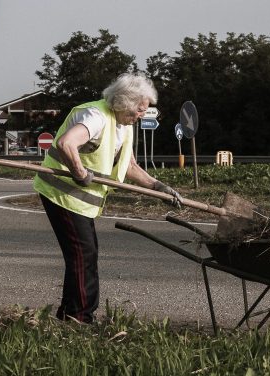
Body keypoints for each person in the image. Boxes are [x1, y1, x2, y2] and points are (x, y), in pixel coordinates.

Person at [33, 73, 182, 324]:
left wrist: (159, 186)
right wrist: (80, 173)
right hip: (62, 194)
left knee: (84, 254)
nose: (142, 114)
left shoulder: (123, 125)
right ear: (124, 101)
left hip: (81, 201)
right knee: (83, 254)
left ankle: (71, 313)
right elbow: (66, 143)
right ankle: (79, 317)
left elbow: (129, 165)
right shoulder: (95, 116)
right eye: (140, 109)